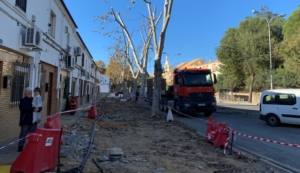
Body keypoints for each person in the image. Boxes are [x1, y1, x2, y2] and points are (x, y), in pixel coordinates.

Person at [18, 87, 42, 152]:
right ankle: (20, 146)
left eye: (30, 92)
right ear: (25, 93)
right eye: (28, 92)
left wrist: (39, 109)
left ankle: (31, 147)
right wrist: (33, 109)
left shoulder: (34, 99)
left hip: (33, 120)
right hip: (25, 120)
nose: (29, 93)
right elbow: (23, 108)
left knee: (32, 134)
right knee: (23, 133)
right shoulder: (23, 100)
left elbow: (39, 106)